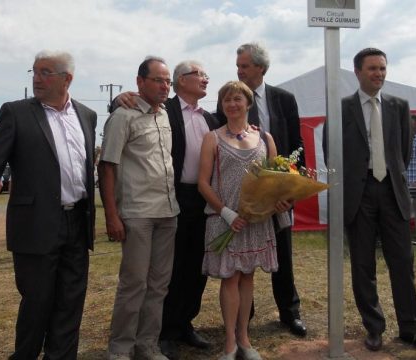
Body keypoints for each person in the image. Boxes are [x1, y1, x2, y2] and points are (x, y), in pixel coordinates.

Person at [0, 50, 97, 358]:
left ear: (67, 79)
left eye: (46, 72)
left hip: (77, 222)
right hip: (36, 224)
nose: (37, 78)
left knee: (71, 301)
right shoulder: (16, 113)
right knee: (37, 301)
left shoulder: (87, 115)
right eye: (34, 71)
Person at [323, 47, 416, 353]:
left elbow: (402, 150)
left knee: (402, 263)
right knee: (363, 266)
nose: (379, 74)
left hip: (392, 193)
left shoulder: (399, 106)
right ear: (358, 72)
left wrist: (389, 176)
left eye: (383, 68)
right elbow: (330, 151)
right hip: (358, 197)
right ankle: (373, 328)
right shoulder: (341, 108)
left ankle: (410, 329)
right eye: (372, 68)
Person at [112, 60, 220, 359]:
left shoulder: (209, 118)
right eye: (199, 74)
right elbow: (133, 111)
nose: (205, 79)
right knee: (166, 272)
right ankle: (165, 332)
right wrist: (116, 99)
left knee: (196, 267)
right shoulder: (164, 110)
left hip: (203, 199)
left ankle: (185, 322)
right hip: (171, 198)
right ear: (181, 80)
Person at [218, 42, 307, 337]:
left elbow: (297, 146)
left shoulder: (284, 99)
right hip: (241, 197)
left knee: (283, 254)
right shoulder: (231, 98)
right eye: (238, 65)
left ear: (261, 68)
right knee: (243, 256)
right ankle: (246, 315)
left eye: (244, 65)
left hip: (277, 196)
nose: (239, 70)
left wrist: (290, 191)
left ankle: (289, 313)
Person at [199, 80, 287, 360]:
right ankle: (229, 343)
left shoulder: (265, 139)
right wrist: (227, 213)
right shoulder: (212, 137)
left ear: (248, 104)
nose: (232, 104)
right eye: (227, 100)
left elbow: (277, 182)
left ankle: (245, 339)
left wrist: (279, 202)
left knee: (247, 277)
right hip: (224, 219)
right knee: (230, 278)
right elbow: (203, 182)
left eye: (238, 99)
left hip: (256, 221)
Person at [100, 56, 179, 360]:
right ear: (140, 82)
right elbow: (107, 167)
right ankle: (120, 349)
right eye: (159, 80)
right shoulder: (124, 115)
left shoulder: (165, 114)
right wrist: (111, 214)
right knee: (133, 284)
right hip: (136, 214)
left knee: (159, 285)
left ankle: (147, 345)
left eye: (168, 81)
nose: (164, 86)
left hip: (168, 211)